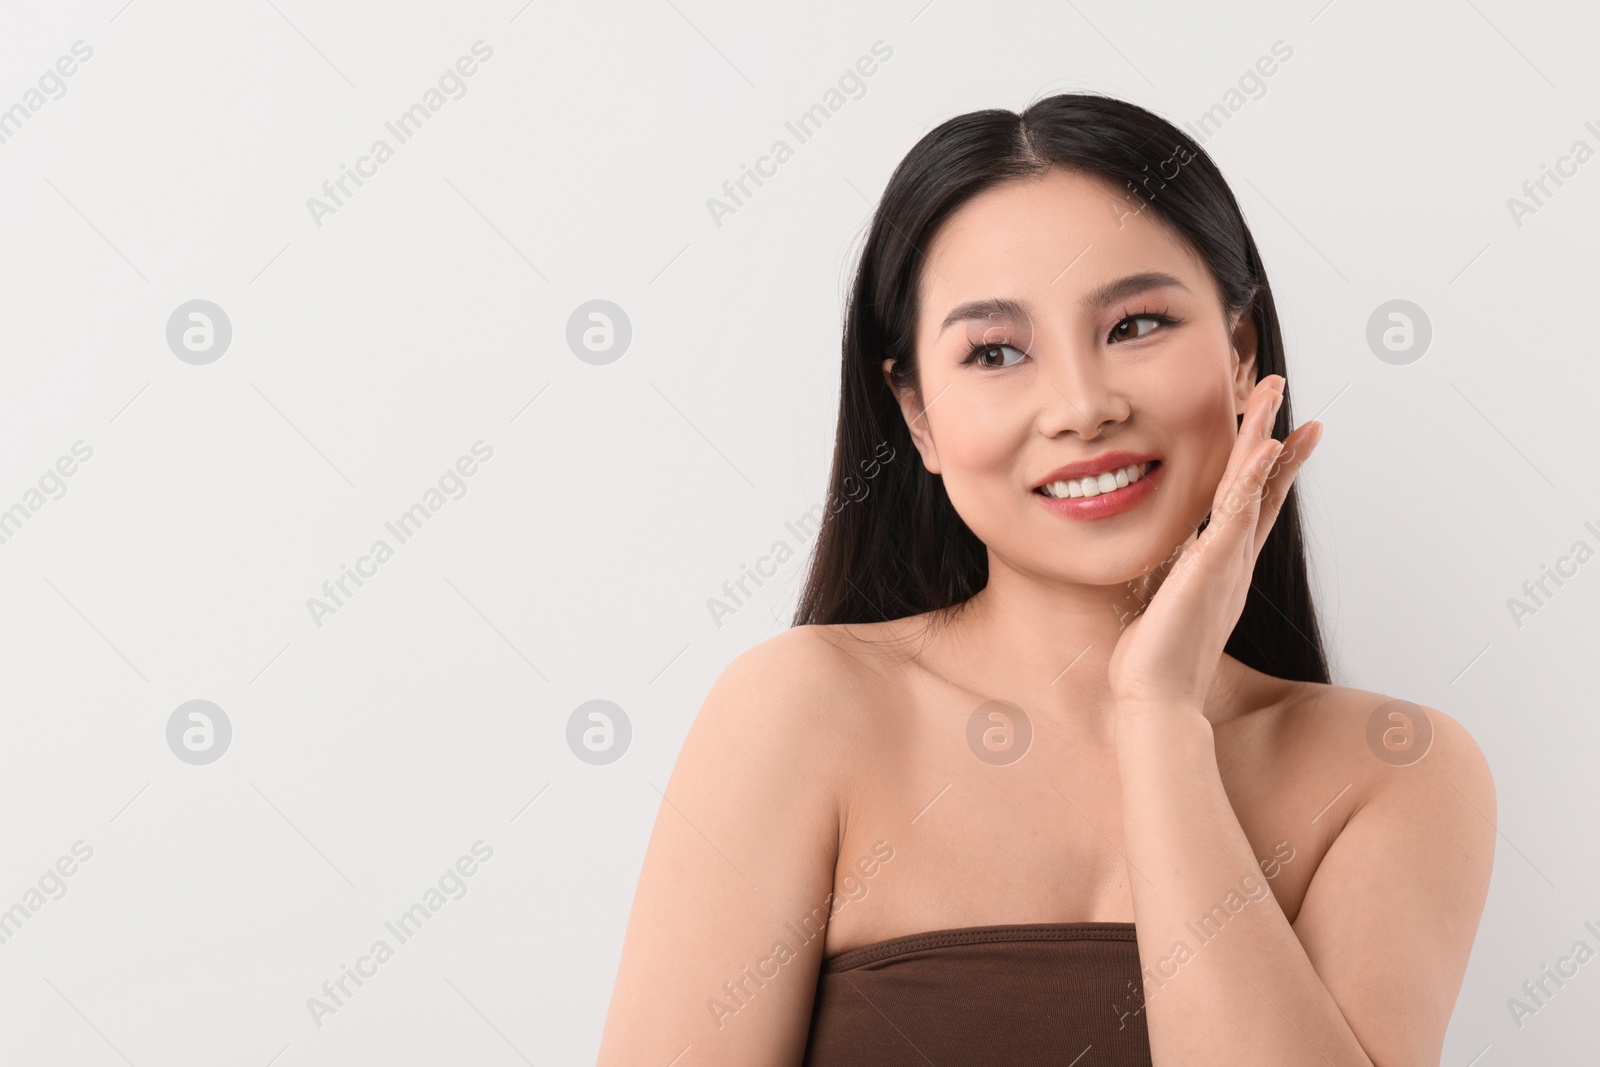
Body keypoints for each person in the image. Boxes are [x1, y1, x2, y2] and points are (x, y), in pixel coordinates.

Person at [597, 92, 1494, 1067]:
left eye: (1136, 322)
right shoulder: (802, 710)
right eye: (994, 351)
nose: (1078, 405)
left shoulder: (1392, 772)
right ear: (918, 417)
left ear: (1241, 355)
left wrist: (1157, 719)